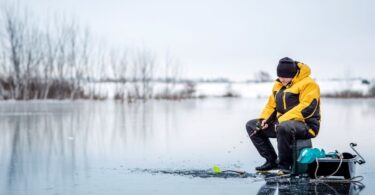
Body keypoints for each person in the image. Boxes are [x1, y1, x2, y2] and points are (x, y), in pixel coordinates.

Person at [245, 57, 321, 173]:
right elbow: (271, 105)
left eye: (285, 77)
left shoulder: (309, 84)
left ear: (293, 74)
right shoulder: (278, 85)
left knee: (283, 127)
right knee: (252, 126)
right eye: (280, 76)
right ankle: (271, 161)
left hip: (306, 125)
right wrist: (263, 120)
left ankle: (285, 166)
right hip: (282, 125)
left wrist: (281, 121)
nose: (282, 80)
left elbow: (307, 107)